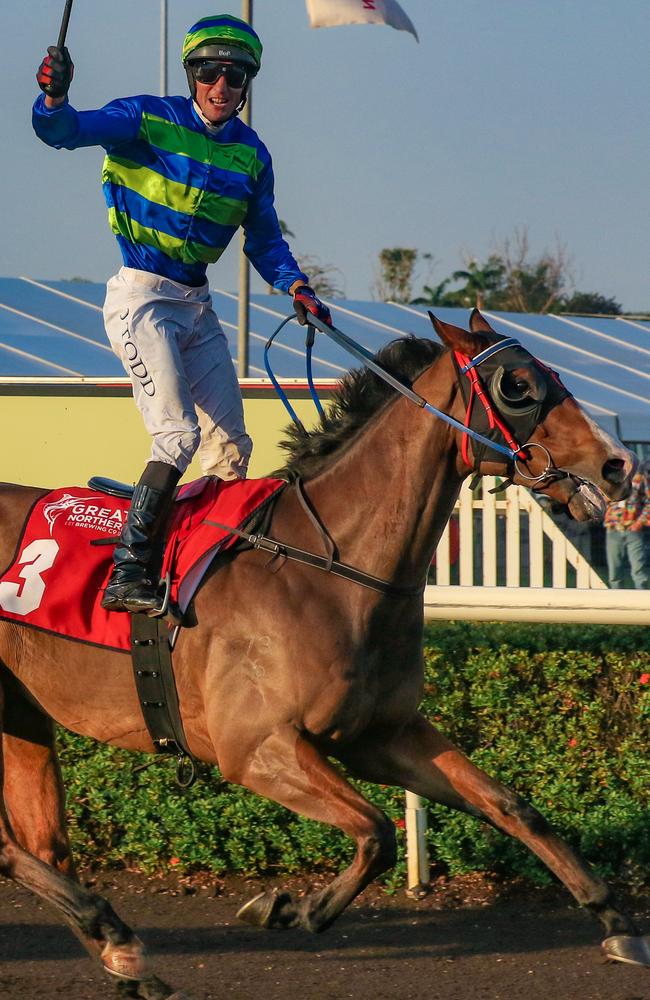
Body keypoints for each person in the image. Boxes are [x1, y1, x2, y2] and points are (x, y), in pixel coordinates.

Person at [33, 14, 332, 616]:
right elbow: (61, 131)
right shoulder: (143, 117)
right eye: (208, 72)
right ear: (191, 74)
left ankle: (210, 570)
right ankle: (128, 571)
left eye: (235, 75)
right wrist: (54, 94)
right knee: (177, 436)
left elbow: (264, 239)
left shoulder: (252, 154)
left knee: (230, 448)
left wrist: (295, 284)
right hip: (141, 300)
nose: (221, 86)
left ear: (248, 82)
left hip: (196, 308)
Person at [603, 458, 650, 589]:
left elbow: (648, 501)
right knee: (614, 572)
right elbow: (602, 499)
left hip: (633, 529)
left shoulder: (639, 479)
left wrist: (639, 523)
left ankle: (642, 602)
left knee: (638, 570)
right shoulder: (610, 478)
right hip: (613, 529)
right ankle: (616, 602)